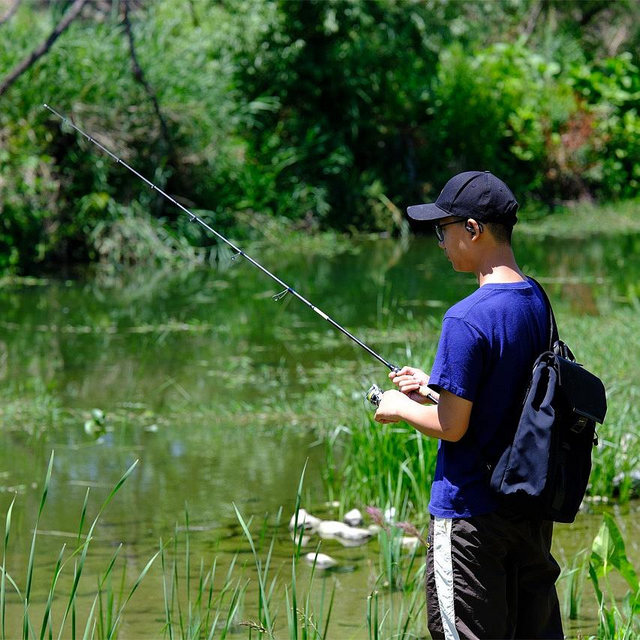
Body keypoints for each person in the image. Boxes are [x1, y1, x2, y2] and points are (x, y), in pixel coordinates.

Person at [373, 171, 563, 640]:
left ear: (473, 230)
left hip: (470, 518)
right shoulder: (535, 298)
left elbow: (451, 427)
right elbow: (512, 395)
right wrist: (437, 387)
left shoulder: (465, 317)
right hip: (526, 508)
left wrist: (398, 405)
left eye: (445, 229)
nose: (441, 242)